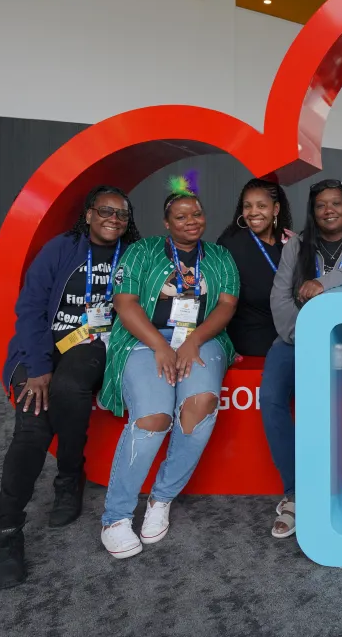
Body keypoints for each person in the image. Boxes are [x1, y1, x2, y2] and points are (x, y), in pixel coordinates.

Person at [0, 185, 140, 588]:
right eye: (105, 211)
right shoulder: (61, 249)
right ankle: (6, 534)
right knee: (32, 427)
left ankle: (69, 475)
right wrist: (37, 367)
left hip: (94, 345)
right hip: (39, 349)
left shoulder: (134, 254)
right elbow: (30, 308)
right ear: (88, 214)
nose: (113, 219)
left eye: (121, 214)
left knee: (70, 387)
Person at [97, 189, 240, 559]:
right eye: (181, 216)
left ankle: (162, 498)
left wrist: (194, 342)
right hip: (145, 340)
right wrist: (161, 347)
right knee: (153, 418)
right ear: (166, 223)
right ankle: (116, 516)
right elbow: (125, 303)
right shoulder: (141, 252)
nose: (191, 220)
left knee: (201, 404)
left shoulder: (221, 256)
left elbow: (225, 307)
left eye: (197, 213)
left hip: (203, 339)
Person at [260, 180, 342, 538]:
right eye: (321, 205)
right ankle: (296, 491)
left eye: (336, 204)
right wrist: (304, 334)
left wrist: (324, 282)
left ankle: (318, 489)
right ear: (312, 212)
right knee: (270, 398)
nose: (329, 210)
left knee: (315, 397)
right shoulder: (296, 245)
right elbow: (279, 295)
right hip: (294, 337)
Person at [216, 178, 293, 360]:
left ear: (275, 209)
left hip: (289, 334)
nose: (253, 212)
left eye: (261, 206)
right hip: (251, 341)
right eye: (247, 206)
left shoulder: (288, 242)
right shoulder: (231, 244)